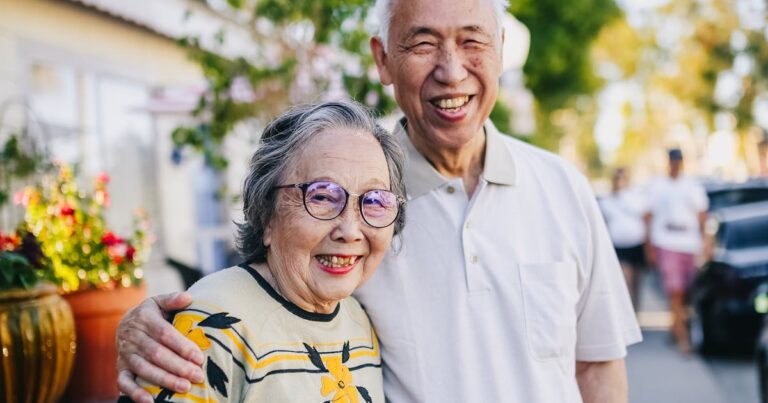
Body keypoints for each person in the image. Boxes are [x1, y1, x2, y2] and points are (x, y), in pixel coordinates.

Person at [116, 1, 642, 402]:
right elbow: (265, 292)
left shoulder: (563, 187)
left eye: (473, 41)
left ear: (501, 51)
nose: (452, 71)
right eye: (423, 44)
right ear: (383, 60)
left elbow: (596, 365)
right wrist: (150, 324)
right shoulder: (357, 203)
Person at [119, 101, 406, 401]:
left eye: (374, 201)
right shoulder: (211, 324)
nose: (349, 231)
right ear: (267, 214)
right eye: (321, 196)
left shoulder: (360, 321)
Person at [645, 148, 708, 354]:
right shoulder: (658, 186)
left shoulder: (691, 186)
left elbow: (702, 216)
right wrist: (650, 247)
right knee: (676, 292)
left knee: (687, 292)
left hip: (689, 243)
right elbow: (649, 215)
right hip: (667, 241)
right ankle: (683, 340)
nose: (675, 164)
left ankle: (676, 327)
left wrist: (706, 243)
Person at [599, 167, 648, 311]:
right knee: (626, 281)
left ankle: (635, 313)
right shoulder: (607, 201)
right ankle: (627, 312)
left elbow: (646, 218)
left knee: (637, 282)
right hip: (619, 245)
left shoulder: (636, 198)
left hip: (636, 244)